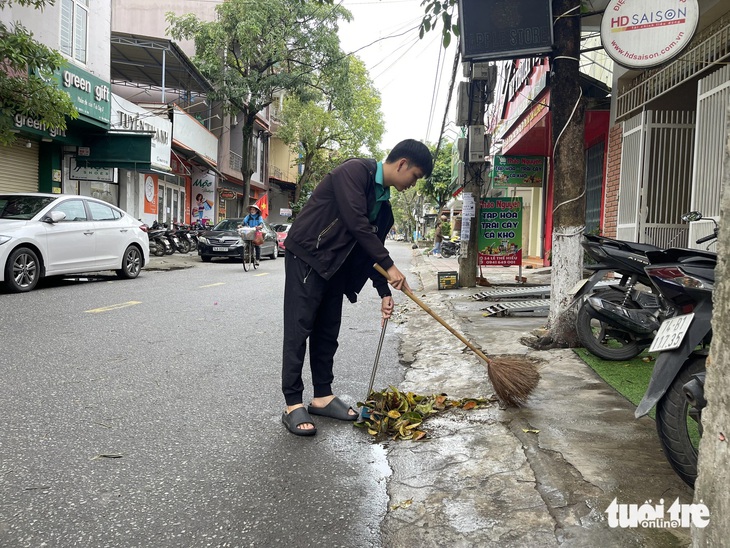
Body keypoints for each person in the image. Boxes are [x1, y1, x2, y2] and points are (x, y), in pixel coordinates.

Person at [280, 139, 433, 436]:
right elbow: (355, 222)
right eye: (414, 176)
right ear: (402, 164)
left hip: (336, 267)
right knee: (300, 328)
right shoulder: (354, 171)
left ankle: (322, 396)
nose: (412, 184)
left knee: (327, 331)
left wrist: (384, 292)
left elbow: (368, 251)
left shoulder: (385, 209)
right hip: (309, 254)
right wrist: (390, 266)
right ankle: (292, 403)